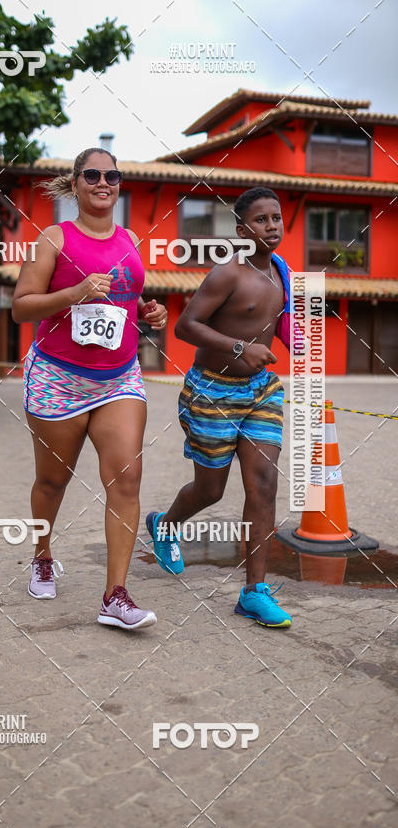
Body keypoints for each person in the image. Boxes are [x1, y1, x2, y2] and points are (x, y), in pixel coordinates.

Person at [12, 147, 167, 631]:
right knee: (52, 482)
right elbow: (21, 308)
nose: (104, 182)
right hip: (59, 376)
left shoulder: (129, 240)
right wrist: (73, 294)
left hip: (118, 377)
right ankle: (42, 554)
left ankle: (115, 596)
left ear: (119, 185)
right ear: (75, 184)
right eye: (93, 175)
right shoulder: (53, 239)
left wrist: (149, 314)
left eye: (112, 175)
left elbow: (127, 295)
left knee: (127, 479)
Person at [145, 186, 293, 628]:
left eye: (277, 218)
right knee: (211, 490)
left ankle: (254, 592)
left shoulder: (283, 274)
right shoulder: (228, 274)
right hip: (212, 390)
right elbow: (186, 325)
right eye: (262, 220)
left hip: (263, 390)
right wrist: (236, 346)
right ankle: (166, 523)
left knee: (264, 484)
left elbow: (282, 327)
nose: (272, 226)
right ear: (242, 228)